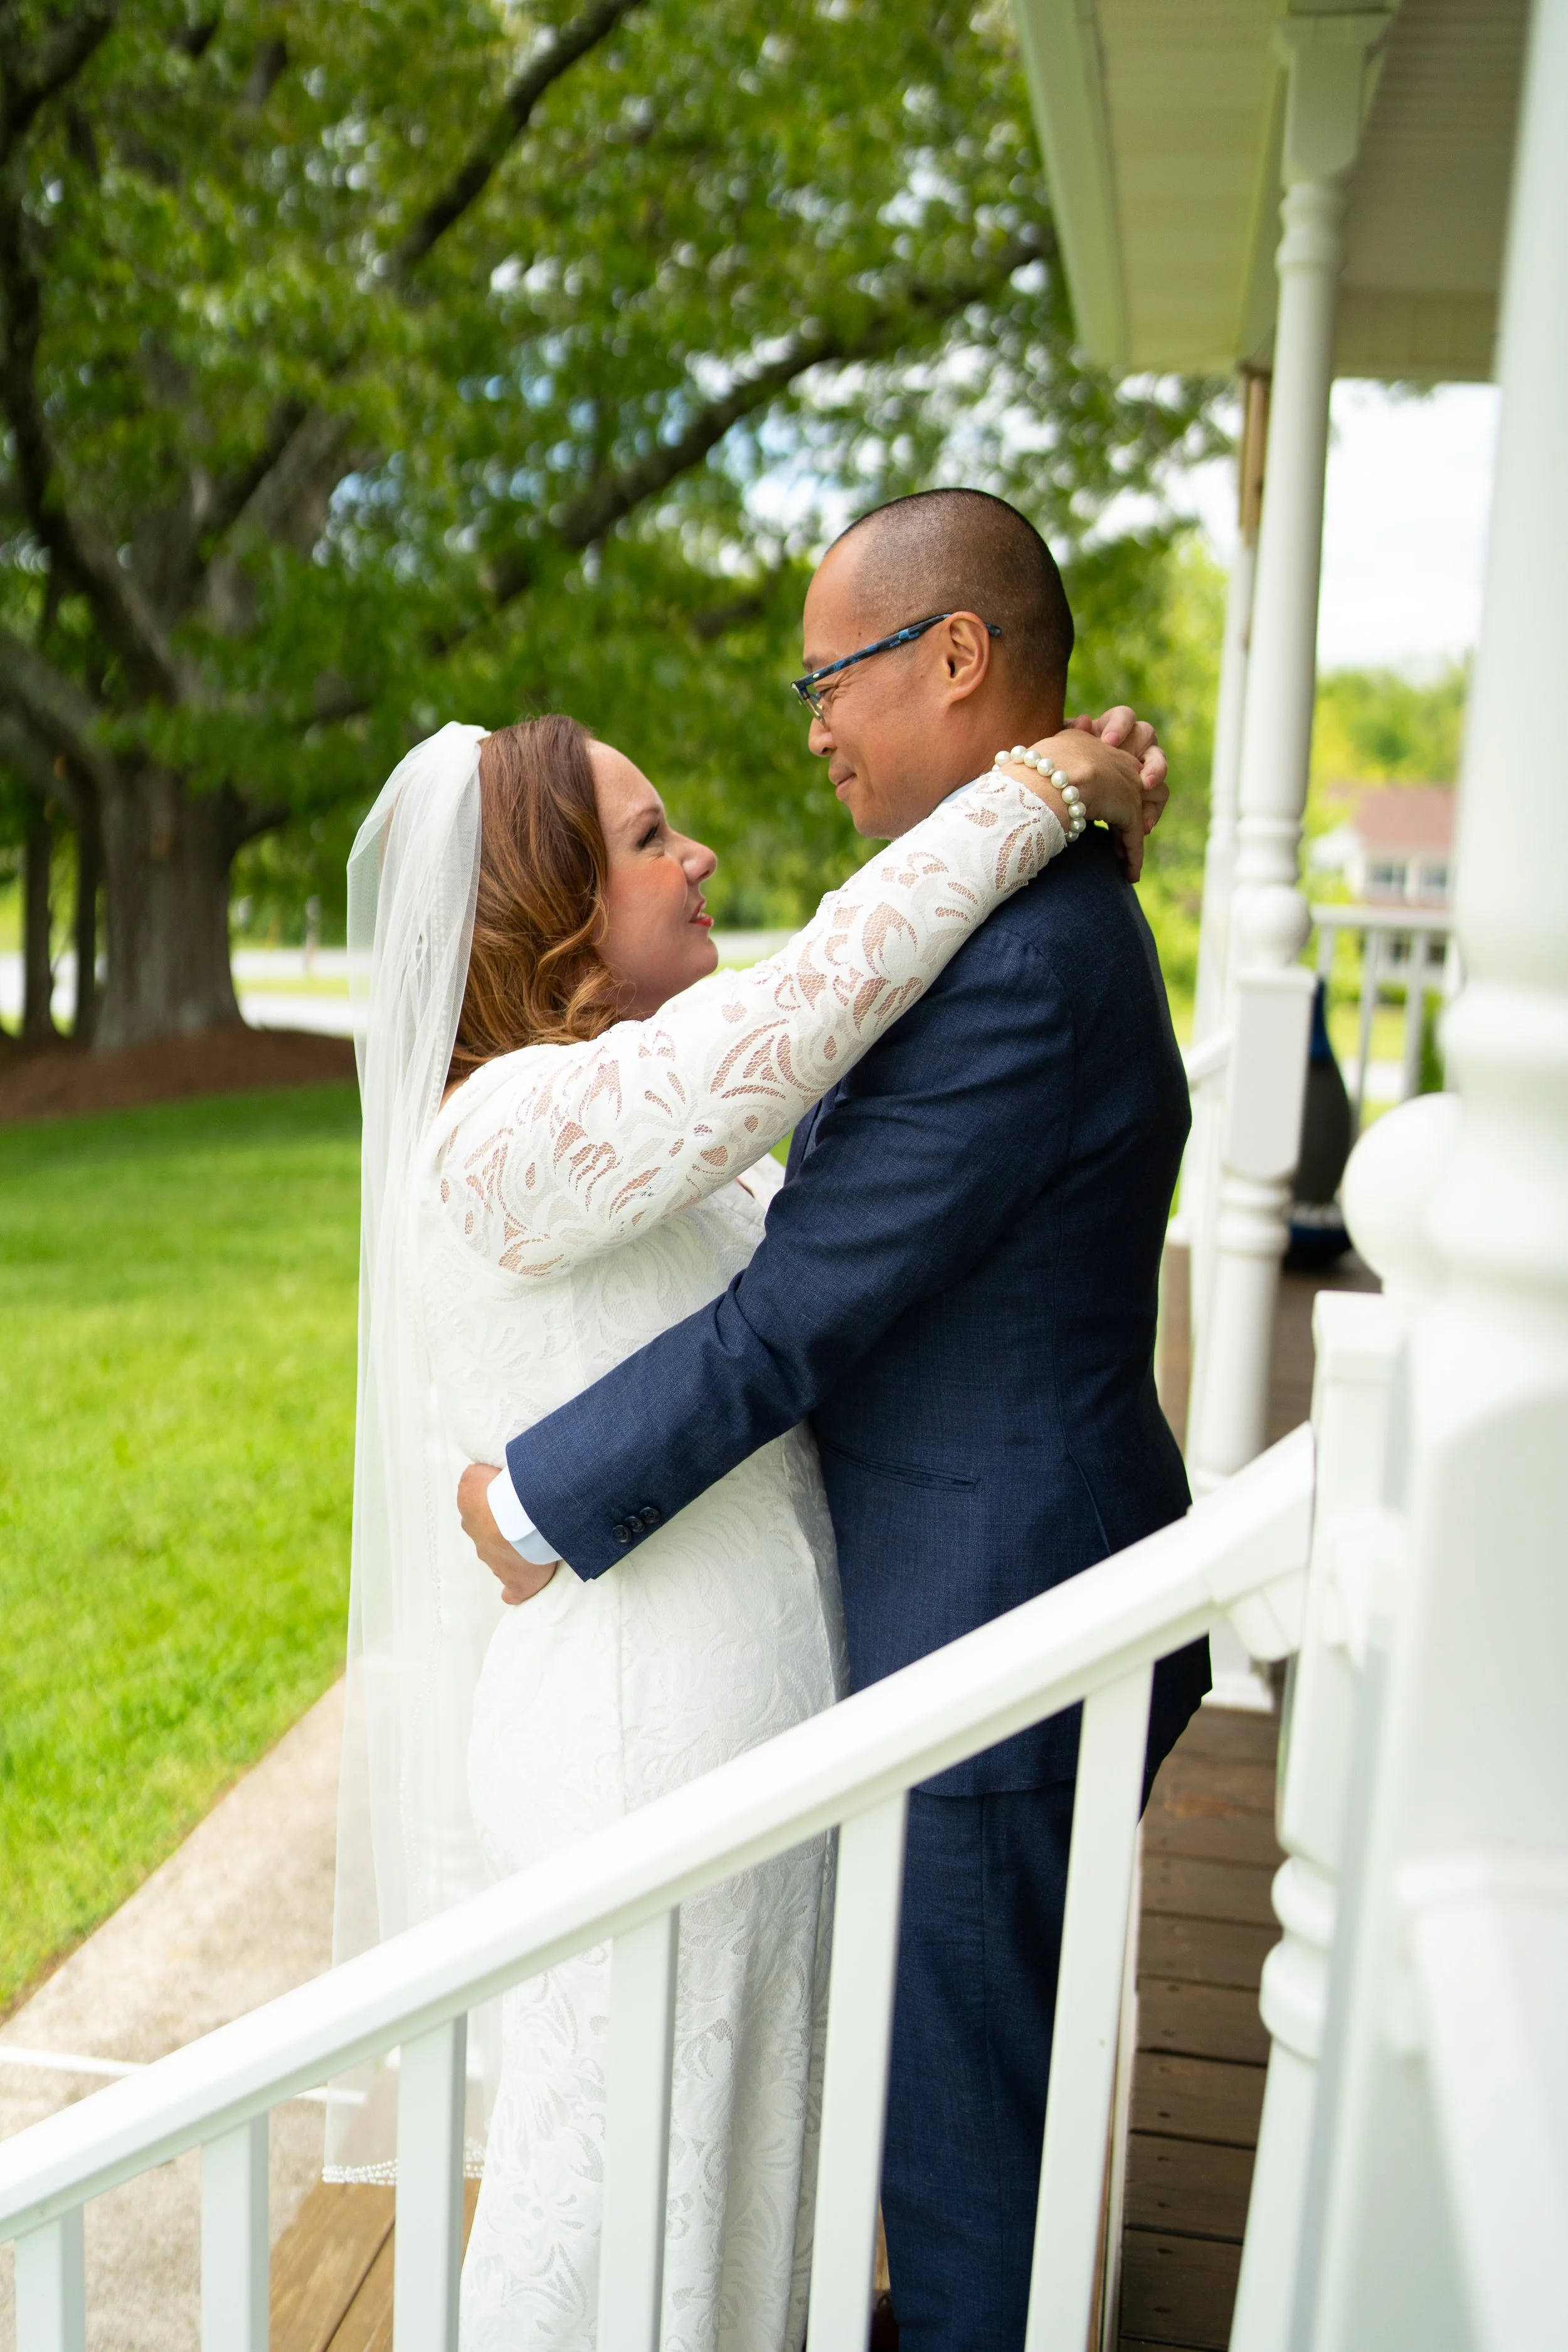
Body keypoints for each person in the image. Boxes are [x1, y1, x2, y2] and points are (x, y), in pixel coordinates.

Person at [456, 489, 1210, 2352]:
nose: (809, 724)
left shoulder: (1027, 957)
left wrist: (539, 1504)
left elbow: (798, 1310)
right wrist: (1067, 785)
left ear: (955, 660)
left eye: (828, 675)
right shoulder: (1006, 901)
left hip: (995, 1640)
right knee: (916, 2142)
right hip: (956, 1611)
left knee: (965, 2209)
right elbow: (818, 1003)